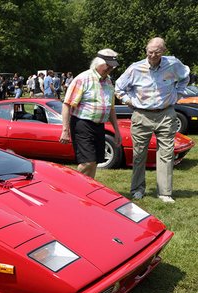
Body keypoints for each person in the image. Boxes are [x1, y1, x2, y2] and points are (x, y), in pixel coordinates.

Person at [115, 37, 190, 203]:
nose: (153, 55)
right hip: (141, 114)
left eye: (157, 52)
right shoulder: (135, 68)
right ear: (146, 50)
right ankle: (137, 190)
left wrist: (178, 94)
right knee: (139, 153)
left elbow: (185, 76)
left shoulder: (173, 64)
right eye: (150, 52)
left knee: (166, 153)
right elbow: (119, 88)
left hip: (166, 113)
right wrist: (130, 102)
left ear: (163, 51)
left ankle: (165, 193)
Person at [59, 49, 122, 179]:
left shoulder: (108, 81)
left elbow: (110, 108)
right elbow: (67, 104)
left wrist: (117, 130)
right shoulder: (83, 78)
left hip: (99, 126)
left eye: (112, 66)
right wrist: (65, 130)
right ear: (98, 63)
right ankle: (73, 188)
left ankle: (87, 190)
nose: (110, 68)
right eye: (107, 65)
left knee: (95, 162)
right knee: (87, 161)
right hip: (82, 124)